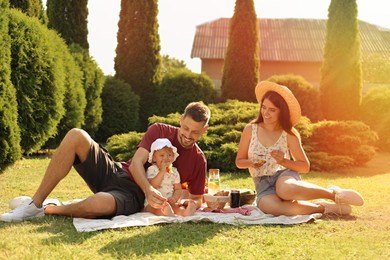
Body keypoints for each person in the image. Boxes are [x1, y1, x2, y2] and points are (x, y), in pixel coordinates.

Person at [1, 102, 210, 222]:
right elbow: (137, 163)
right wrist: (148, 188)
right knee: (77, 135)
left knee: (97, 204)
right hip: (118, 172)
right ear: (181, 120)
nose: (188, 136)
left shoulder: (199, 161)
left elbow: (196, 198)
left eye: (195, 132)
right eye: (186, 128)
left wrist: (182, 200)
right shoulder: (160, 130)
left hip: (133, 196)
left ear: (204, 131)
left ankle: (50, 208)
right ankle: (33, 204)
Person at [235, 81, 364, 216]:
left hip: (283, 177)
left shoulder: (289, 134)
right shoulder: (250, 129)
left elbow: (304, 167)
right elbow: (239, 161)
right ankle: (325, 208)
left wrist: (283, 161)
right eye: (264, 107)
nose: (266, 113)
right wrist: (251, 163)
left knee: (285, 190)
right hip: (262, 185)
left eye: (272, 110)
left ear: (282, 112)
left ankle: (335, 194)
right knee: (270, 207)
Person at [143, 138, 196, 217]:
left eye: (169, 155)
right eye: (162, 155)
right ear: (154, 158)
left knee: (176, 207)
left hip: (169, 201)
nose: (166, 158)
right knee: (154, 208)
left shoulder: (174, 172)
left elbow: (178, 189)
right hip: (153, 202)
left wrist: (174, 198)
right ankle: (167, 213)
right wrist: (162, 171)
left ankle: (185, 212)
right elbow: (152, 186)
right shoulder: (152, 170)